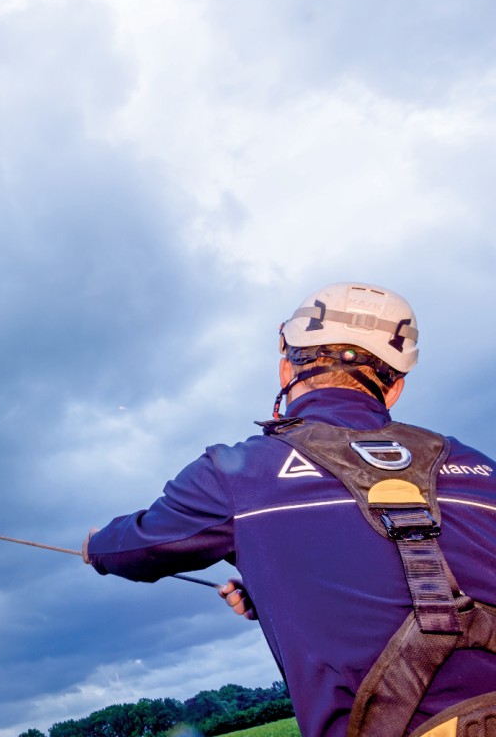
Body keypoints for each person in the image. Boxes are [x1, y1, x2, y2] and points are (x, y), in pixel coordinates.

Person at [83, 282, 496, 737]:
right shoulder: (477, 465)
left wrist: (94, 545)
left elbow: (132, 550)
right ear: (395, 386)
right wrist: (284, 576)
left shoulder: (237, 474)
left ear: (286, 368)